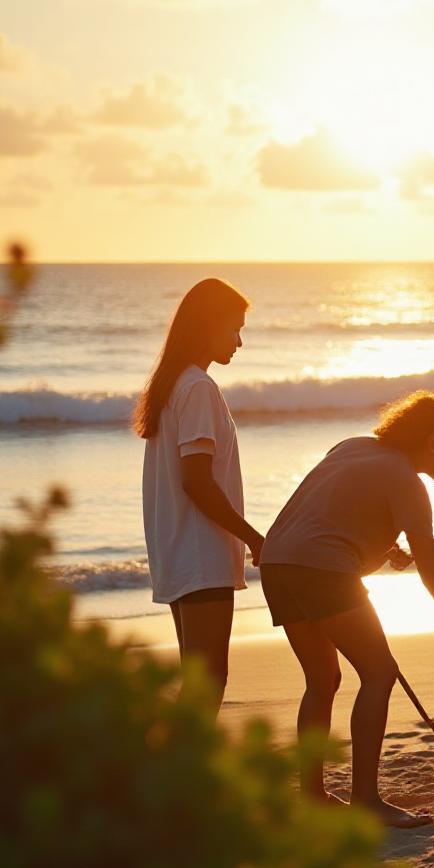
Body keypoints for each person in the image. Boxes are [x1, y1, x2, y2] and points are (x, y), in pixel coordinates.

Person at [262, 390, 434, 827]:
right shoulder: (409, 484)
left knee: (322, 679)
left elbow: (334, 508)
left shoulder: (352, 446)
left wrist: (387, 545)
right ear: (433, 441)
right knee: (378, 673)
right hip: (322, 570)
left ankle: (312, 795)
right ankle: (366, 800)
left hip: (276, 563)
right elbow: (433, 573)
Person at [134, 278, 263, 717]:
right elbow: (197, 480)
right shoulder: (197, 388)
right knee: (208, 681)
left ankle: (176, 777)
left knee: (197, 678)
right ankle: (184, 780)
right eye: (234, 329)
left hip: (179, 554)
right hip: (200, 556)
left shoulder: (173, 384)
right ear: (209, 326)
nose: (240, 342)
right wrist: (253, 537)